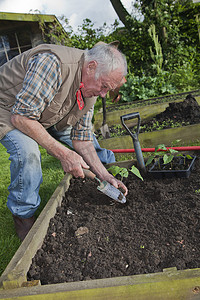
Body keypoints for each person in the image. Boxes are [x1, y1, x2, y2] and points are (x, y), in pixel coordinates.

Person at [0, 42, 128, 241]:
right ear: (91, 66)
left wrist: (105, 175)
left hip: (45, 112)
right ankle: (23, 215)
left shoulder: (92, 88)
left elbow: (82, 139)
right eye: (103, 86)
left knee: (90, 142)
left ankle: (107, 167)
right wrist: (64, 154)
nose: (104, 94)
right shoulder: (53, 63)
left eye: (107, 89)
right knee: (28, 151)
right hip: (8, 107)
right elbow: (22, 117)